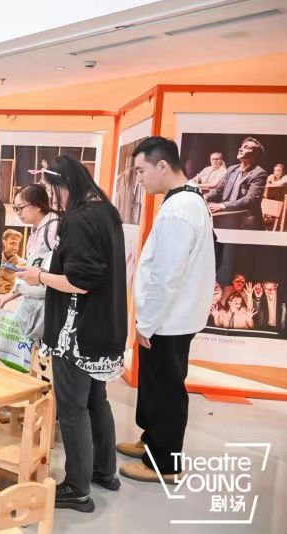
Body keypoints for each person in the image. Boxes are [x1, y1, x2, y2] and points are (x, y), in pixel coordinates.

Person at [15, 155, 126, 512]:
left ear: (64, 186)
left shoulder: (79, 220)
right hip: (102, 327)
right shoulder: (106, 212)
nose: (54, 200)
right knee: (96, 400)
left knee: (73, 407)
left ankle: (78, 487)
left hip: (75, 332)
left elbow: (80, 281)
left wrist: (39, 276)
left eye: (53, 191)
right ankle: (103, 471)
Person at [115, 137, 216, 484]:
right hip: (171, 316)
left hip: (168, 319)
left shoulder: (179, 209)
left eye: (141, 171)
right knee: (156, 385)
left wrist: (146, 322)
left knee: (167, 389)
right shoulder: (184, 201)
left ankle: (165, 464)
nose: (139, 179)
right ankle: (152, 441)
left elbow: (165, 275)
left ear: (162, 166)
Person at [0, 185, 59, 344]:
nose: (18, 213)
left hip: (50, 301)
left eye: (20, 208)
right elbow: (30, 266)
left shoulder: (54, 227)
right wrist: (12, 294)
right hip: (36, 298)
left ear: (37, 205)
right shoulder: (36, 230)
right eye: (15, 209)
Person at [204, 137, 267, 230]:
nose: (240, 149)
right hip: (227, 215)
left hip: (245, 220)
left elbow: (250, 199)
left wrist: (223, 205)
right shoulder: (232, 169)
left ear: (255, 155)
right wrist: (205, 197)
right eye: (241, 146)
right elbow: (219, 190)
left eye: (246, 147)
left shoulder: (259, 173)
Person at [0, 229, 24, 294]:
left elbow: (19, 286)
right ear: (4, 242)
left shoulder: (23, 263)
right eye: (12, 243)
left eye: (17, 244)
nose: (15, 247)